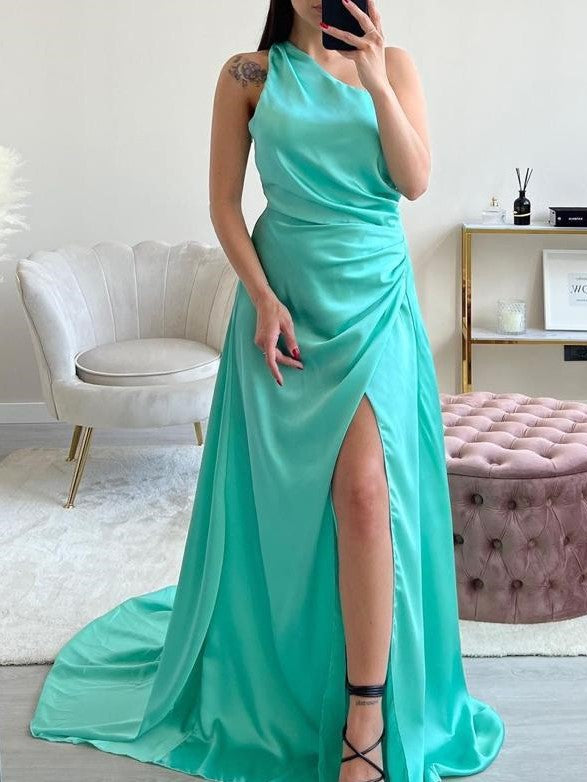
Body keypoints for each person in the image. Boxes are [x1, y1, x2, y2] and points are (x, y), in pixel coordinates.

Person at [30, 1, 506, 781]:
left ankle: (364, 716)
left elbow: (415, 181)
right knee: (292, 509)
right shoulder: (247, 74)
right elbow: (224, 203)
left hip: (375, 300)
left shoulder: (396, 66)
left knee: (365, 495)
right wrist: (260, 297)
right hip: (286, 306)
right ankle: (291, 675)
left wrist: (376, 80)